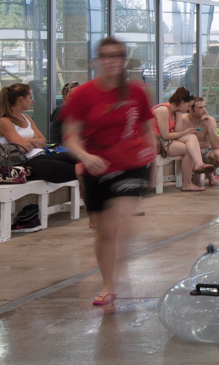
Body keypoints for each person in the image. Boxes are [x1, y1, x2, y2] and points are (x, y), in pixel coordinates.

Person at [61, 37, 156, 308]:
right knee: (104, 232)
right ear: (97, 61)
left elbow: (147, 129)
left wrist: (154, 163)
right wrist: (85, 156)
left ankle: (117, 276)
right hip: (97, 167)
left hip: (132, 163)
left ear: (124, 60)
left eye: (117, 55)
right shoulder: (82, 95)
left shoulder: (136, 92)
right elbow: (71, 136)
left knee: (121, 219)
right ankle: (108, 283)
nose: (112, 60)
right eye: (105, 56)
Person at [0, 83, 79, 184]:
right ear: (21, 99)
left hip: (41, 155)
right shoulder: (4, 121)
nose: (33, 101)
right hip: (27, 162)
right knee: (76, 170)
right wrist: (33, 140)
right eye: (30, 97)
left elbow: (43, 142)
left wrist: (28, 140)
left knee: (80, 158)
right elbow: (21, 149)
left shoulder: (27, 118)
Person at [153, 87, 217, 192]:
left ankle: (198, 164)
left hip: (165, 141)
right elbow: (165, 135)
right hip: (156, 142)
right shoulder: (163, 110)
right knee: (190, 150)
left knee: (192, 137)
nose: (188, 109)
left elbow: (177, 132)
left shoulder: (175, 111)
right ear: (182, 103)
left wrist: (178, 115)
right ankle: (188, 182)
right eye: (188, 106)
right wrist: (185, 132)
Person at [181, 97, 219, 175]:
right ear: (191, 109)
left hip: (207, 151)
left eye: (204, 106)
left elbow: (216, 146)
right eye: (200, 107)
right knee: (194, 153)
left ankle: (208, 174)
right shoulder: (183, 120)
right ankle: (206, 177)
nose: (204, 110)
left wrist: (209, 127)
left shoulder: (210, 120)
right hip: (190, 151)